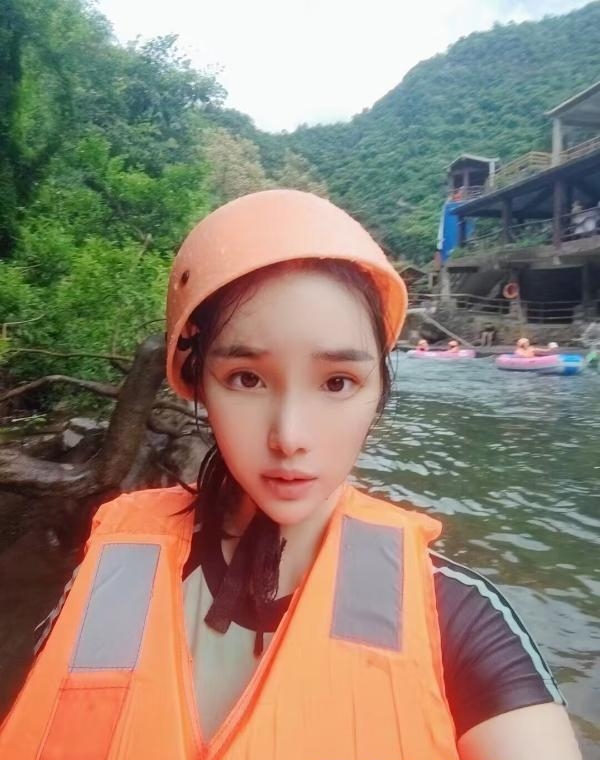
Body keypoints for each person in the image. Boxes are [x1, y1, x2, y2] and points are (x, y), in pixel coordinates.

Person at [0, 190, 581, 760]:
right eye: (247, 378)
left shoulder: (455, 613)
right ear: (198, 383)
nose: (290, 436)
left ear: (379, 391)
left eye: (337, 382)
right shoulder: (114, 571)